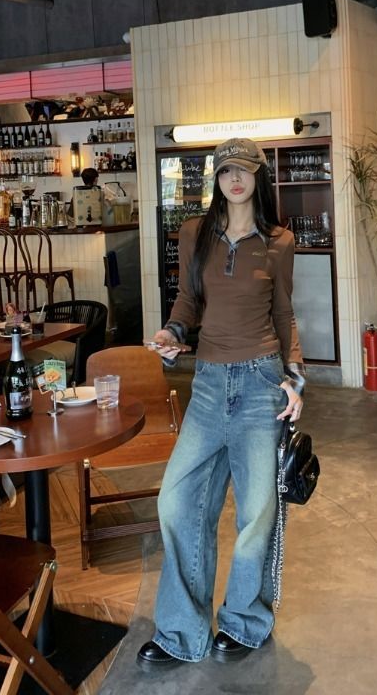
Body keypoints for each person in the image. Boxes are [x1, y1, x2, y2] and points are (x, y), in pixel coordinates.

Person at [138, 137, 305, 666]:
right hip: (208, 384)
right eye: (226, 170)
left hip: (261, 385)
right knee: (177, 501)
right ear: (215, 178)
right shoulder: (195, 233)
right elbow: (188, 300)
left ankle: (244, 621)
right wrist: (171, 333)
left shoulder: (279, 241)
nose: (235, 178)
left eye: (244, 170)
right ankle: (182, 632)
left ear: (258, 177)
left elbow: (284, 314)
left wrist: (294, 378)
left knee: (256, 513)